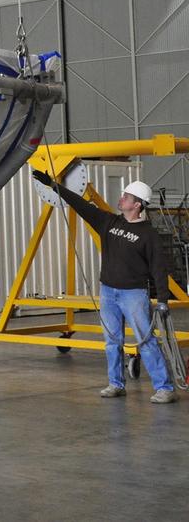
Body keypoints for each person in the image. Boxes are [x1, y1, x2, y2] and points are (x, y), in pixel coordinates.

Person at [33, 172, 177, 403]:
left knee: (146, 341)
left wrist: (162, 301)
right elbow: (80, 204)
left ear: (137, 204)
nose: (121, 199)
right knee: (112, 341)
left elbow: (159, 269)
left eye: (126, 197)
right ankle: (116, 384)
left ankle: (165, 387)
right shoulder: (109, 222)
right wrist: (53, 185)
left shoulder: (149, 235)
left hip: (134, 295)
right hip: (108, 292)